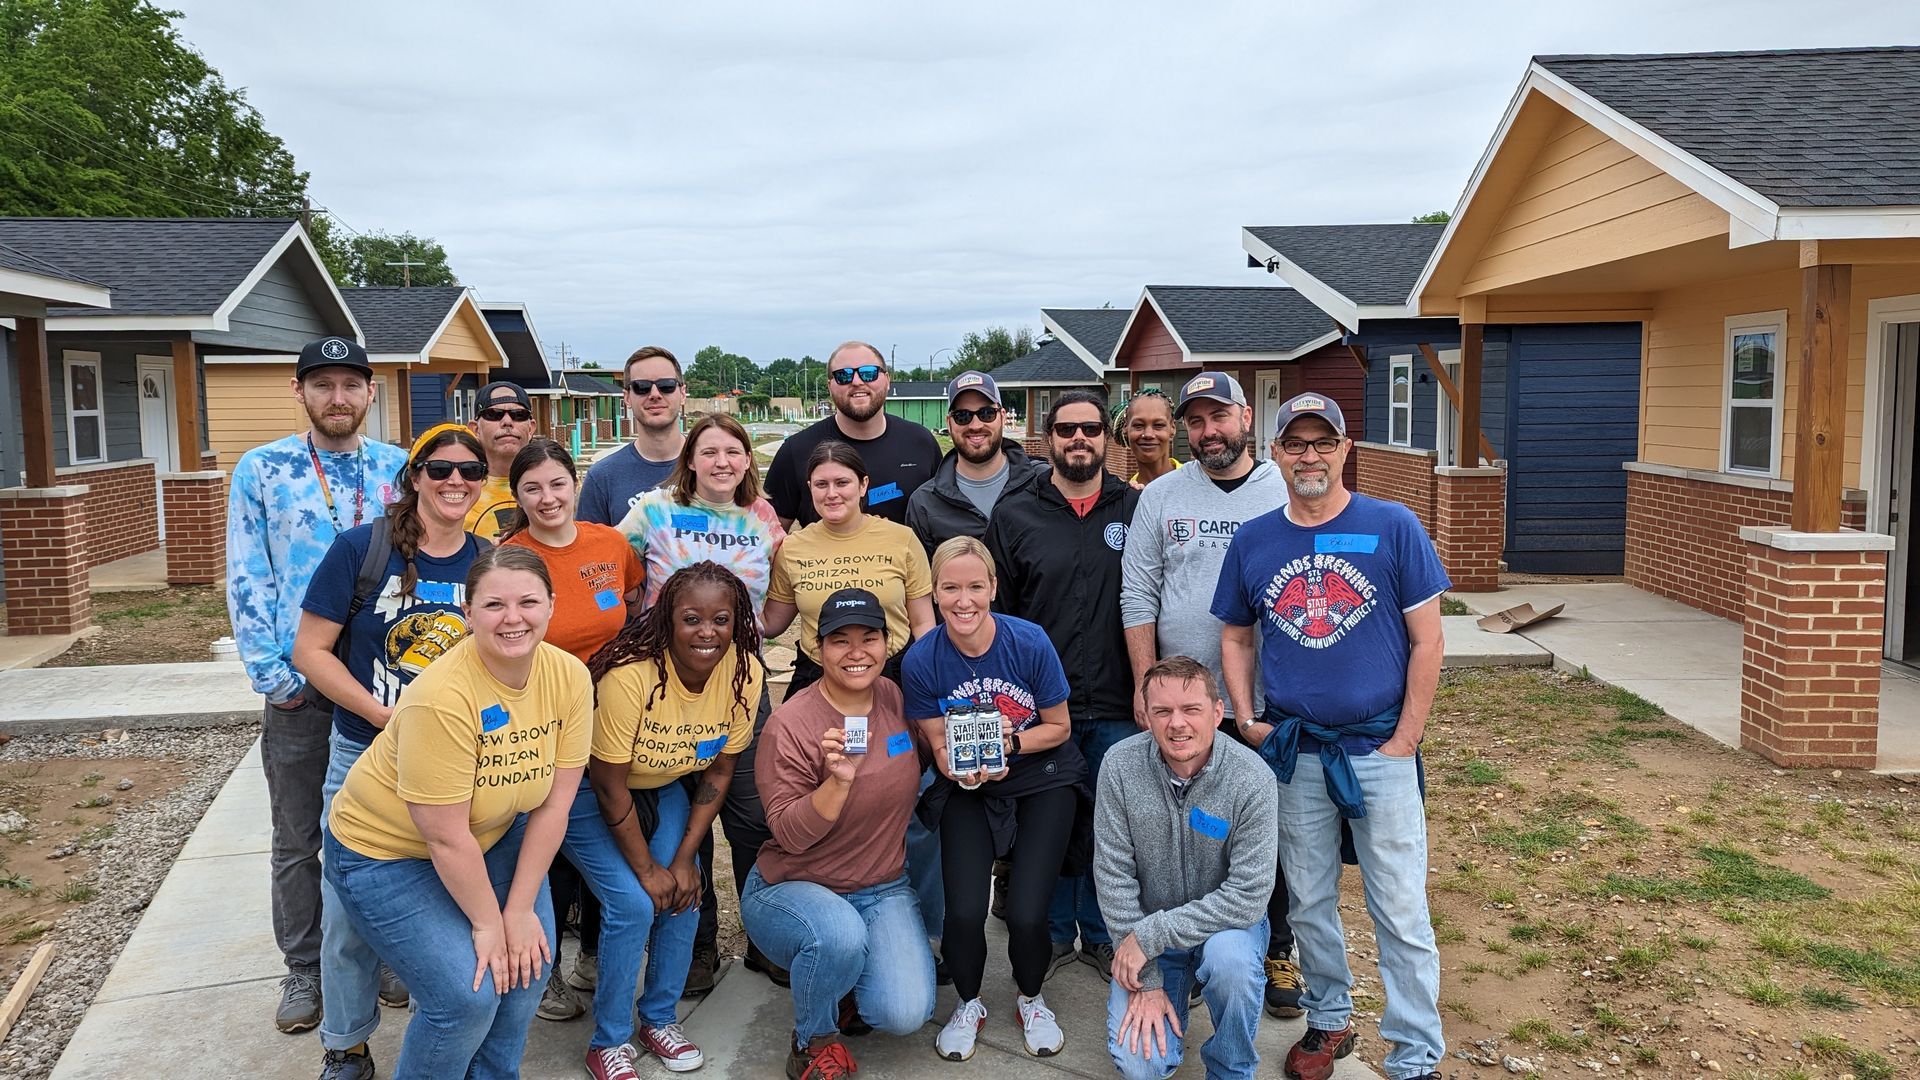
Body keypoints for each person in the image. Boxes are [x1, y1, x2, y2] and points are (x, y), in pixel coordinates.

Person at [1214, 392, 1449, 1080]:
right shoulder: (1255, 539)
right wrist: (1248, 718)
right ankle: (1328, 1017)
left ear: (1346, 450)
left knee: (1400, 906)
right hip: (1297, 751)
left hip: (1378, 748)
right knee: (1310, 899)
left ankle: (1414, 1055)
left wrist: (1406, 739)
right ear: (1277, 453)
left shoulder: (1393, 526)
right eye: (1296, 443)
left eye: (1324, 443)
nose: (1309, 456)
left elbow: (1428, 642)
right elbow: (1234, 634)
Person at [322, 545, 591, 1080]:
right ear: (467, 613)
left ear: (552, 605)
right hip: (385, 853)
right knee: (466, 997)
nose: (512, 618)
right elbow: (444, 839)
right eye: (493, 605)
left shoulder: (570, 677)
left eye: (528, 602)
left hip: (494, 833)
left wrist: (517, 914)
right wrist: (489, 923)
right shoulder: (440, 697)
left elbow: (555, 807)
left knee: (526, 972)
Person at [227, 335, 411, 1034]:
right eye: (323, 384)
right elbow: (247, 574)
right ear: (299, 392)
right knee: (300, 834)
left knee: (395, 827)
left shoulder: (399, 467)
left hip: (384, 686)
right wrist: (276, 678)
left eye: (351, 385)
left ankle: (390, 951)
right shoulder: (263, 469)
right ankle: (304, 968)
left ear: (371, 393)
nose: (339, 398)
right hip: (303, 684)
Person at [293, 423, 489, 1079]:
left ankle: (455, 1015)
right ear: (414, 477)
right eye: (440, 469)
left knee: (455, 900)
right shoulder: (361, 549)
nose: (455, 480)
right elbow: (311, 652)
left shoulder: (488, 561)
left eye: (469, 469)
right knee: (346, 916)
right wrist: (382, 714)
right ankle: (345, 1045)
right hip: (365, 762)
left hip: (462, 770)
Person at [1118, 369, 1303, 1019]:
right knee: (1181, 832)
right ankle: (1177, 948)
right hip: (1180, 708)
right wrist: (1147, 685)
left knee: (1266, 829)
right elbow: (1138, 594)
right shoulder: (1162, 496)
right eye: (1194, 421)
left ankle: (1277, 947)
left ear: (1246, 417)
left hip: (1263, 700)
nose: (1208, 431)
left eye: (1217, 417)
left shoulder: (1283, 490)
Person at [563, 563, 766, 1077]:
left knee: (684, 893)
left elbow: (719, 769)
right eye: (691, 618)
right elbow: (609, 786)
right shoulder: (630, 678)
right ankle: (608, 1040)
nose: (707, 631)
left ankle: (658, 1019)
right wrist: (648, 870)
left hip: (664, 788)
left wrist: (683, 860)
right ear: (667, 620)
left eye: (721, 619)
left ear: (738, 620)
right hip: (589, 796)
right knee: (634, 904)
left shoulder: (745, 672)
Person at [618, 412, 786, 994]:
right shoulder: (656, 511)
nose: (721, 462)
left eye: (732, 452)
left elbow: (781, 596)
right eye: (709, 451)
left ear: (747, 461)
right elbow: (609, 567)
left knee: (750, 816)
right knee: (683, 819)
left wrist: (769, 631)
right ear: (690, 458)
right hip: (664, 684)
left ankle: (766, 941)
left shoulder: (763, 519)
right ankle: (698, 948)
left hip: (740, 680)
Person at [741, 587, 938, 1080]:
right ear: (815, 648)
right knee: (837, 935)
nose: (856, 652)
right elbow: (790, 835)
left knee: (904, 1012)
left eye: (868, 638)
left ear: (887, 643)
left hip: (881, 886)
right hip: (794, 886)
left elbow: (929, 757)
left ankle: (841, 982)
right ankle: (813, 1039)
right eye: (839, 640)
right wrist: (837, 782)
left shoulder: (894, 697)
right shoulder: (790, 724)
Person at [905, 537, 1087, 1061]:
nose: (964, 600)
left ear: (993, 588)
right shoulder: (922, 659)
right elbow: (938, 741)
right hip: (970, 785)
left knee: (1028, 912)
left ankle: (1031, 998)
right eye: (951, 588)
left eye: (975, 587)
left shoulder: (1027, 642)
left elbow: (1058, 727)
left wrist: (1011, 742)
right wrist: (960, 770)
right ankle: (969, 1002)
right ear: (934, 593)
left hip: (1040, 776)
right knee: (963, 912)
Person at [984, 390, 1138, 983]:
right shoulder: (1015, 513)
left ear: (1108, 438)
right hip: (1041, 708)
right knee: (1044, 824)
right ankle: (1049, 933)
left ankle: (1100, 933)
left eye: (1091, 429)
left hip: (1120, 701)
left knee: (1111, 825)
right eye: (1066, 430)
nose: (1079, 440)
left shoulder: (1135, 509)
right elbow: (1004, 616)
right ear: (1046, 439)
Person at [497, 437, 644, 1022]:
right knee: (545, 850)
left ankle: (588, 953)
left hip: (609, 718)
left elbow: (630, 604)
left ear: (575, 485)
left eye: (557, 484)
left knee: (602, 834)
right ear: (518, 496)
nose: (547, 497)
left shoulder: (608, 542)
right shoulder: (511, 555)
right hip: (541, 722)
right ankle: (545, 970)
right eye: (532, 488)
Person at [1095, 657, 1278, 1080]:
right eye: (1163, 711)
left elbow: (1248, 896)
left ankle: (1231, 1068)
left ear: (1217, 712)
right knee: (1142, 1066)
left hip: (1226, 928)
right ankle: (1171, 993)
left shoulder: (1252, 779)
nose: (1177, 723)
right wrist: (1149, 978)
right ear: (1146, 716)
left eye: (1191, 709)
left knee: (1231, 963)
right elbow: (1113, 878)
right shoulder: (1119, 767)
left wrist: (1148, 936)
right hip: (1151, 940)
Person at [764, 441, 934, 694]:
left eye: (842, 483)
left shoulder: (902, 539)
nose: (832, 493)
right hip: (818, 675)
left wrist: (929, 680)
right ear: (810, 488)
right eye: (822, 484)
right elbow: (771, 623)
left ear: (863, 485)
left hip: (891, 675)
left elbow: (922, 624)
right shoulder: (792, 548)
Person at [765, 341, 938, 529]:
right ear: (830, 386)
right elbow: (769, 538)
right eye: (843, 376)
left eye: (869, 373)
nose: (857, 381)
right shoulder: (796, 451)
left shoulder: (921, 442)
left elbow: (943, 519)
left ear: (887, 380)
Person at [904, 370, 1045, 554]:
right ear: (949, 423)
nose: (976, 425)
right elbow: (921, 581)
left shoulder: (1043, 482)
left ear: (1002, 416)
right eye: (962, 416)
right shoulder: (924, 503)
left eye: (987, 414)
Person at [578, 346, 687, 526]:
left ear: (682, 393)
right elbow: (590, 550)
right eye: (641, 387)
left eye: (666, 386)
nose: (654, 395)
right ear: (627, 398)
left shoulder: (715, 467)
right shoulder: (602, 477)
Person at [465, 381, 538, 541]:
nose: (507, 422)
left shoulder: (555, 489)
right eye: (494, 414)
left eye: (518, 415)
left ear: (531, 428)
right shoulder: (458, 488)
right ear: (475, 429)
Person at [1117, 389, 1179, 487]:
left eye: (1158, 425)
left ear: (1172, 428)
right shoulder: (1127, 496)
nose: (1148, 434)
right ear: (1126, 428)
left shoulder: (1195, 480)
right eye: (1138, 425)